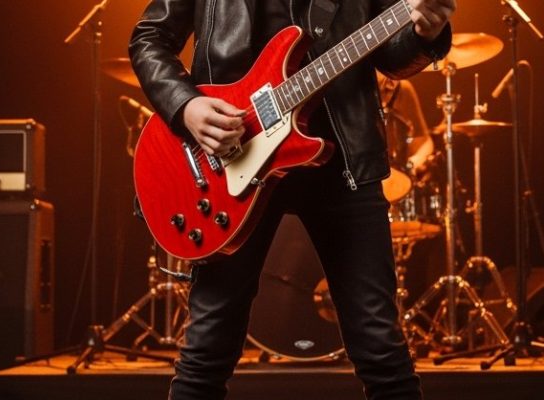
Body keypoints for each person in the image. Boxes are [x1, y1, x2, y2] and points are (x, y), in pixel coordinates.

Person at [129, 1, 455, 399]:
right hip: (231, 158)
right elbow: (149, 37)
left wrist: (425, 33)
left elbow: (391, 55)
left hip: (342, 158)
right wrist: (186, 105)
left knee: (381, 347)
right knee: (207, 349)